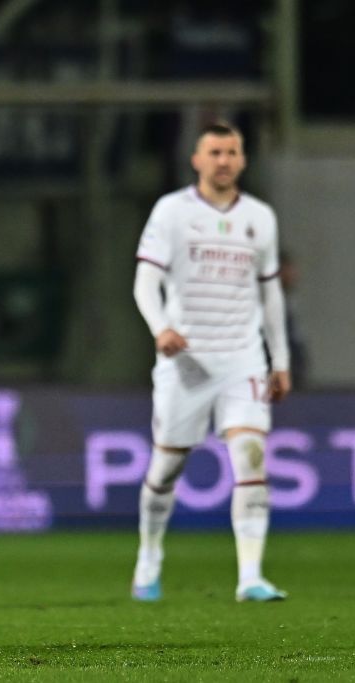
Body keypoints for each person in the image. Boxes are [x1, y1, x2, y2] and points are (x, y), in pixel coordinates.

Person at [131, 121, 290, 603]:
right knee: (165, 470)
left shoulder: (260, 217)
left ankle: (250, 577)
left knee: (251, 456)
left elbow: (270, 293)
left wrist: (278, 359)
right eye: (214, 151)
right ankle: (149, 558)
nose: (223, 160)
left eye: (232, 152)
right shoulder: (172, 212)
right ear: (196, 160)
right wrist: (161, 329)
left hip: (243, 358)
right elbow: (144, 282)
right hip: (186, 362)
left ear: (242, 160)